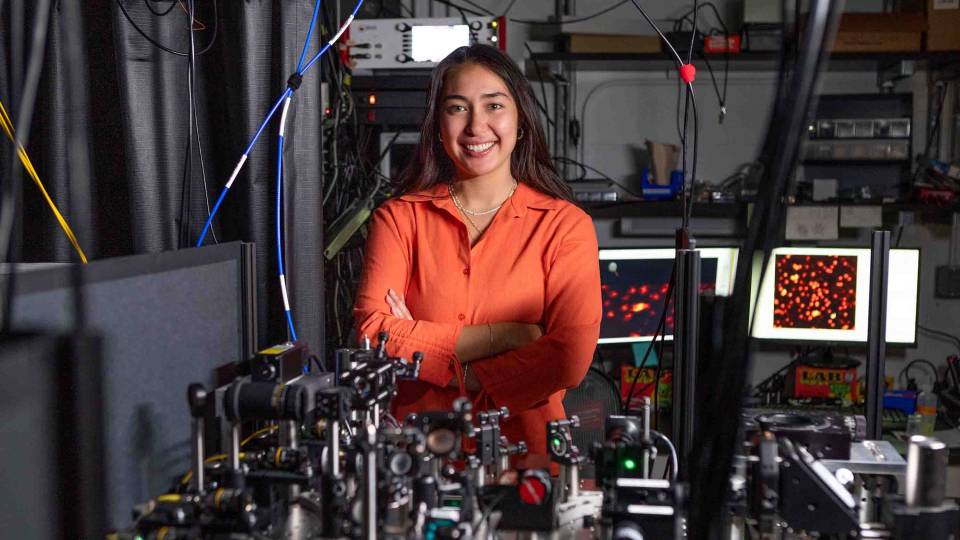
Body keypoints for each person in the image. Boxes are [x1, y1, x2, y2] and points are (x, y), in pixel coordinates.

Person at [353, 44, 601, 467]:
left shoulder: (565, 226)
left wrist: (430, 348)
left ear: (520, 120)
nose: (476, 126)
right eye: (457, 108)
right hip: (415, 457)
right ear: (436, 125)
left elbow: (569, 355)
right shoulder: (399, 220)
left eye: (494, 105)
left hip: (527, 460)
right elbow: (371, 335)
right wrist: (507, 337)